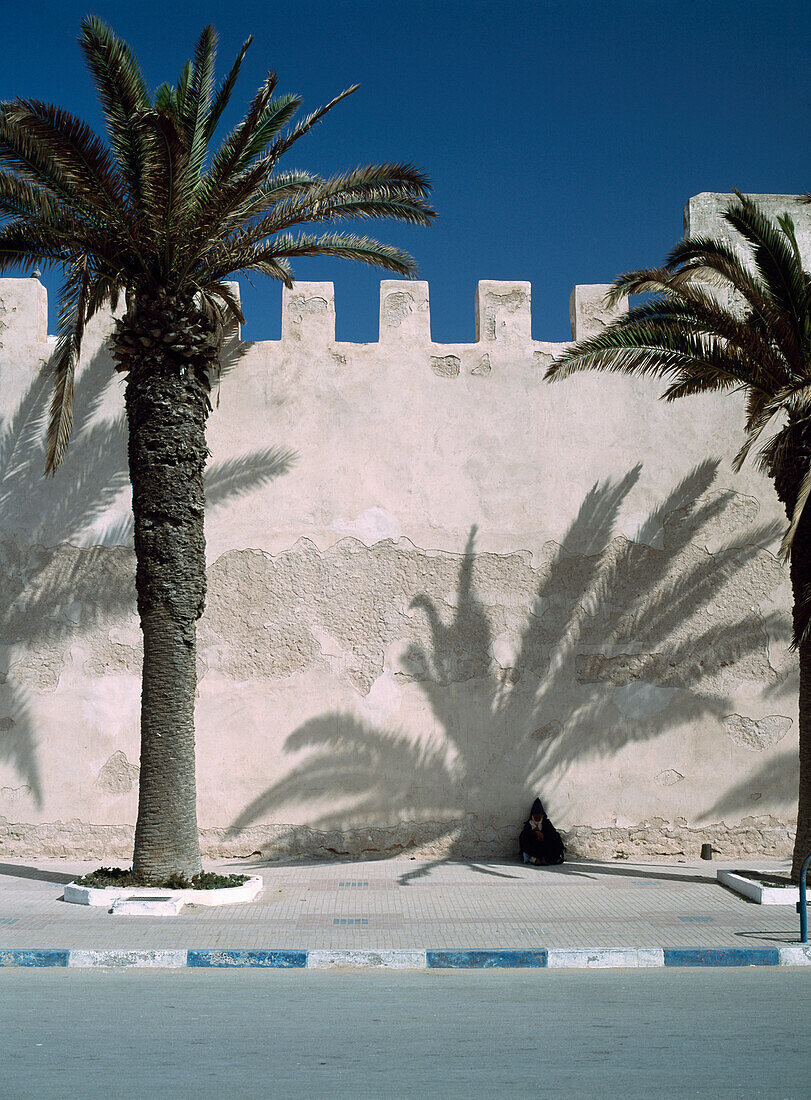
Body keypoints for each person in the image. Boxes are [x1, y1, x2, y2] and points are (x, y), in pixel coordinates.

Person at [519, 797, 564, 866]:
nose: (537, 816)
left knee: (556, 836)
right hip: (534, 849)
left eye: (539, 814)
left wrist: (543, 835)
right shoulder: (529, 825)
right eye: (535, 814)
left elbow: (552, 833)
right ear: (532, 815)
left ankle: (545, 859)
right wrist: (535, 833)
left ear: (542, 815)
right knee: (523, 836)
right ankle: (535, 860)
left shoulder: (546, 823)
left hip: (546, 847)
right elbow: (525, 837)